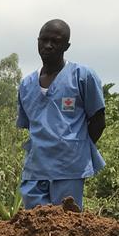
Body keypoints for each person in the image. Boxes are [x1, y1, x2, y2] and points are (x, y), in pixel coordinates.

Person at [16, 20, 107, 210]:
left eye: (55, 41)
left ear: (66, 46)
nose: (48, 45)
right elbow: (29, 125)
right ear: (38, 42)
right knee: (34, 226)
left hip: (68, 169)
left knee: (66, 228)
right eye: (44, 40)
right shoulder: (26, 85)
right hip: (35, 169)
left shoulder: (82, 76)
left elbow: (98, 120)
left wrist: (76, 147)